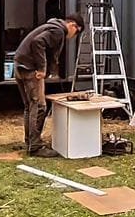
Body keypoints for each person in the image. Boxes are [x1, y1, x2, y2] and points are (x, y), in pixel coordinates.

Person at [14, 12, 85, 157]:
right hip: (30, 69)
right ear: (72, 25)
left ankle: (30, 142)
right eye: (76, 32)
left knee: (30, 106)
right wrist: (41, 69)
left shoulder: (52, 27)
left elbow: (49, 51)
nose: (73, 36)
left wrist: (52, 70)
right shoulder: (59, 31)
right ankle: (35, 147)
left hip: (20, 65)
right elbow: (37, 43)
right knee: (40, 106)